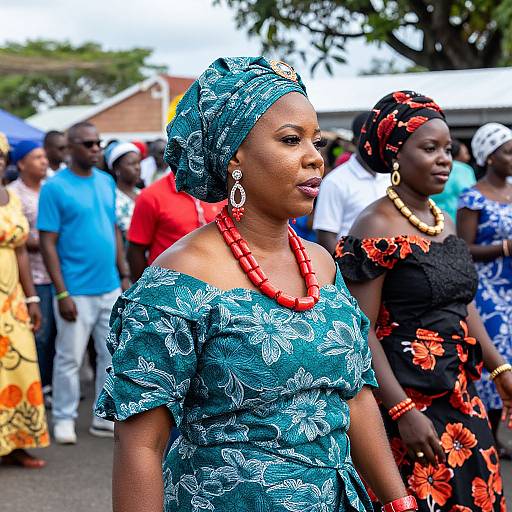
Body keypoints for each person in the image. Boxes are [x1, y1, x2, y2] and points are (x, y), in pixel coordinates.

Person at [95, 57, 419, 512]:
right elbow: (140, 446)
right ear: (235, 160)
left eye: (316, 141)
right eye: (291, 140)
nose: (314, 157)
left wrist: (398, 502)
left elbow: (356, 397)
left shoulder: (322, 264)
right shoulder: (177, 282)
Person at [335, 91, 512, 511]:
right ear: (396, 154)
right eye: (429, 148)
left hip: (459, 391)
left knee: (477, 495)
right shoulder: (374, 224)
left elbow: (462, 301)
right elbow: (360, 329)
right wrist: (401, 411)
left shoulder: (442, 220)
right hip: (408, 399)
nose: (444, 159)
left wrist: (500, 368)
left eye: (448, 149)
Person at [38, 122, 130, 445]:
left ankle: (101, 417)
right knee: (69, 358)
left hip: (109, 286)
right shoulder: (55, 188)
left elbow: (114, 230)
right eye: (88, 144)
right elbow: (48, 242)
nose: (96, 149)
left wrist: (123, 273)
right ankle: (63, 417)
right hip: (74, 289)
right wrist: (61, 292)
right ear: (71, 148)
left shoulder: (106, 182)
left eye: (98, 143)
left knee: (110, 355)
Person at [457, 122, 512, 459]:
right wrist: (505, 247)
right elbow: (464, 248)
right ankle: (490, 434)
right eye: (507, 150)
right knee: (497, 358)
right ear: (489, 157)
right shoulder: (473, 196)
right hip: (488, 290)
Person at [0, 132, 49, 468]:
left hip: (12, 298)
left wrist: (31, 298)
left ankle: (18, 442)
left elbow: (19, 251)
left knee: (21, 368)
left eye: (0, 155)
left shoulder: (10, 197)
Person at [8, 141, 56, 396]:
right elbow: (17, 235)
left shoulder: (50, 189)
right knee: (41, 334)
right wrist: (47, 241)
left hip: (56, 273)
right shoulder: (12, 194)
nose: (44, 161)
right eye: (37, 157)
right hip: (33, 275)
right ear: (22, 163)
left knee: (55, 336)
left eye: (44, 157)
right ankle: (38, 383)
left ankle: (47, 383)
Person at [313, 112, 389, 254]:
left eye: (379, 137)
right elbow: (325, 237)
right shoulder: (335, 182)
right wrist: (348, 270)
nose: (373, 143)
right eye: (367, 138)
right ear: (354, 142)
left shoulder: (391, 176)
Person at [126, 173, 224, 281]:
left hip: (216, 282)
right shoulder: (151, 196)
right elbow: (136, 250)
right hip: (168, 288)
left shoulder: (221, 191)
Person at [431, 138, 476, 222]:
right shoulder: (465, 170)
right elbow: (473, 198)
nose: (468, 157)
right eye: (466, 153)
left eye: (448, 150)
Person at [106, 142, 141, 244]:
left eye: (138, 162)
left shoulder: (144, 194)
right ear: (116, 168)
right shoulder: (111, 197)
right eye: (131, 164)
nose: (137, 167)